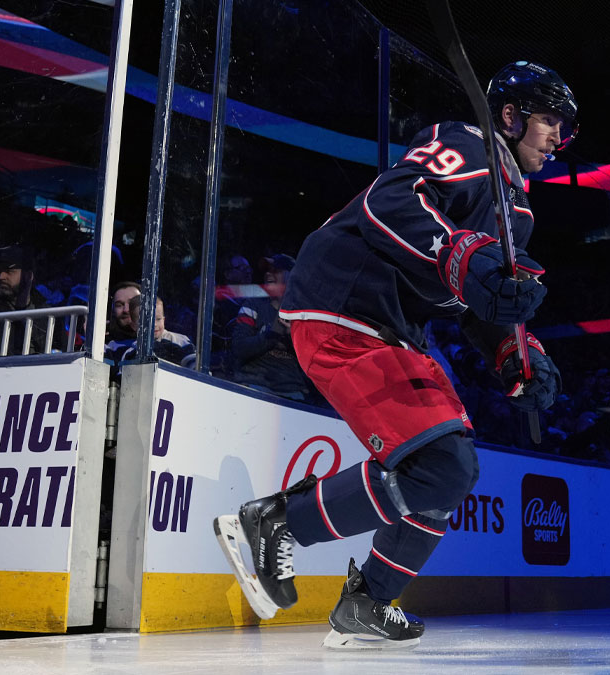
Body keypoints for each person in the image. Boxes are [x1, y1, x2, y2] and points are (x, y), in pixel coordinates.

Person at [213, 61, 576, 649]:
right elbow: (392, 199)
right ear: (509, 117)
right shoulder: (466, 143)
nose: (558, 137)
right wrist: (459, 254)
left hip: (392, 327)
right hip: (344, 304)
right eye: (550, 120)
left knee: (451, 471)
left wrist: (515, 351)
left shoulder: (520, 215)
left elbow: (476, 300)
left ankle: (367, 600)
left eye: (565, 128)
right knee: (443, 467)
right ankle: (277, 522)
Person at [227, 254, 311, 400]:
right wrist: (273, 334)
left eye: (275, 270)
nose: (268, 274)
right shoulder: (253, 305)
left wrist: (294, 336)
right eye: (267, 271)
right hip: (253, 385)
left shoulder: (303, 314)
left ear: (291, 276)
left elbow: (314, 361)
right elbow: (239, 348)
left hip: (292, 392)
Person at [0, 244, 55, 356]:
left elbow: (56, 349)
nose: (1, 277)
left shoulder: (46, 313)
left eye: (9, 271)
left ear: (28, 276)